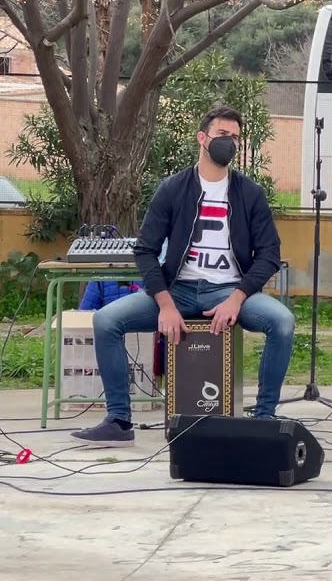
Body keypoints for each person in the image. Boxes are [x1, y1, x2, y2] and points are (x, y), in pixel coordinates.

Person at [71, 105, 296, 448]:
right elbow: (145, 250)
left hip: (229, 292)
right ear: (202, 138)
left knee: (282, 322)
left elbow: (269, 255)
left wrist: (237, 298)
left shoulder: (249, 193)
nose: (230, 143)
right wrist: (165, 304)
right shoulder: (173, 189)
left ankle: (263, 418)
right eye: (223, 135)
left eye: (236, 137)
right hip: (178, 291)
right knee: (105, 320)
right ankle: (118, 420)